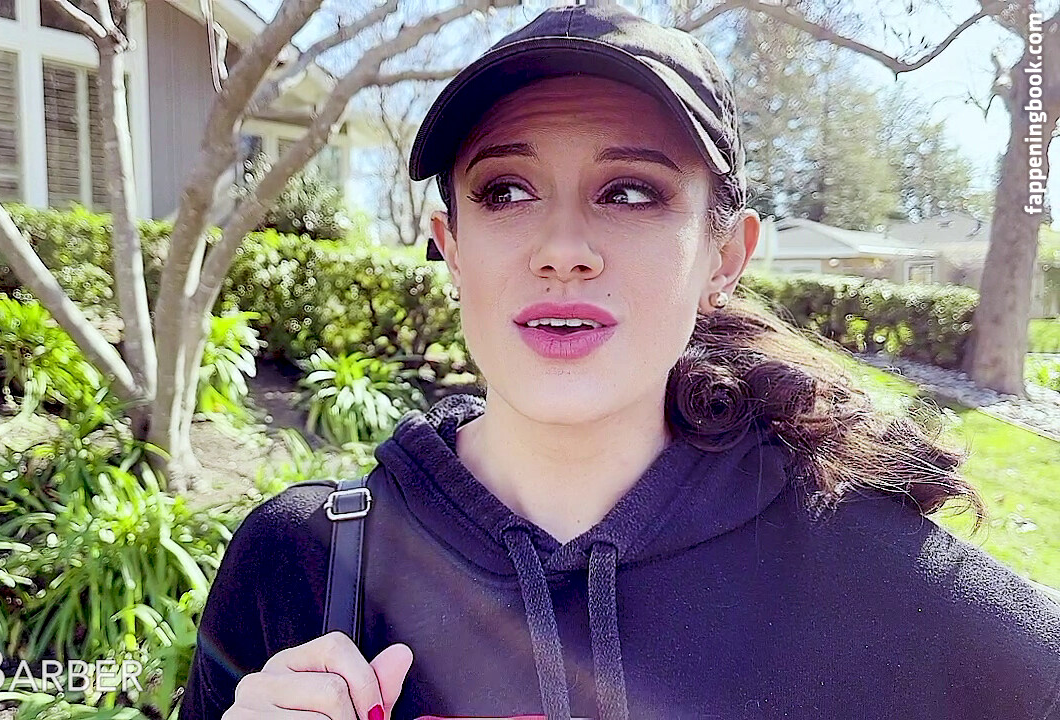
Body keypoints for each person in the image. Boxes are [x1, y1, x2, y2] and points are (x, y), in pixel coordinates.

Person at [179, 4, 1060, 720]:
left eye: (631, 192)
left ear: (725, 256)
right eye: (506, 191)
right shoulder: (302, 564)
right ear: (451, 246)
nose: (563, 249)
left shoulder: (874, 579)